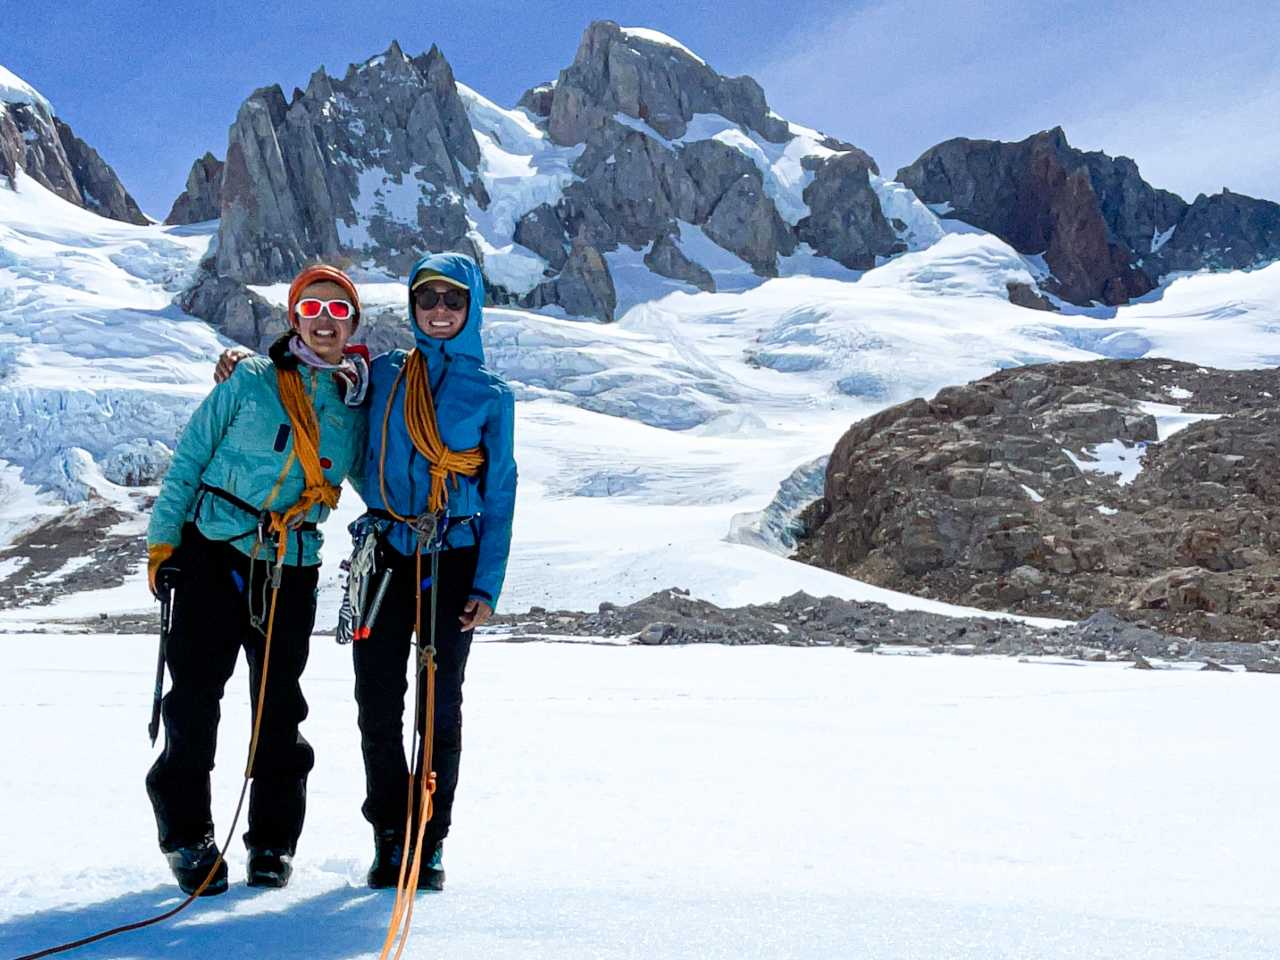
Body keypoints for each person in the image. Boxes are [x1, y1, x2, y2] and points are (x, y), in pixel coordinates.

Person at [217, 252, 518, 892]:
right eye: (427, 300)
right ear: (411, 308)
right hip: (385, 551)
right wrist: (243, 365)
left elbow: (501, 491)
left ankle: (428, 842)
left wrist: (488, 584)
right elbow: (312, 381)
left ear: (471, 309)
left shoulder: (492, 396)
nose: (439, 311)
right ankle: (389, 834)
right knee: (377, 702)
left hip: (454, 554)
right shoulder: (379, 373)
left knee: (440, 706)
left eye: (452, 301)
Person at [145, 264, 369, 895]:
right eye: (312, 310)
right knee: (194, 698)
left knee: (279, 708)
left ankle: (272, 842)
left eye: (337, 312)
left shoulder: (356, 405)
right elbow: (190, 458)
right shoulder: (248, 379)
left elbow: (377, 476)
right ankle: (188, 835)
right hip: (212, 549)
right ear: (294, 318)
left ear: (352, 325)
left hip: (291, 564)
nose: (324, 322)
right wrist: (165, 544)